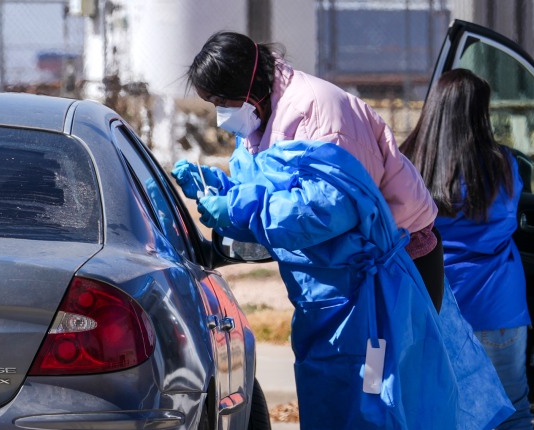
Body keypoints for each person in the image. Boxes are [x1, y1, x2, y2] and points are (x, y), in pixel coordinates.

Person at [177, 138, 512, 430]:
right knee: (395, 405)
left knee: (381, 407)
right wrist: (234, 199)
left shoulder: (326, 145)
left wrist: (236, 206)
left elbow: (308, 214)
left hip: (373, 311)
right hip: (389, 298)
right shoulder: (493, 165)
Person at [173, 30, 444, 311]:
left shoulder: (317, 112)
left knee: (386, 354)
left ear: (245, 88)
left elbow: (330, 209)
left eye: (220, 103)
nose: (220, 115)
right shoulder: (256, 119)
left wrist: (239, 207)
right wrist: (220, 189)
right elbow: (268, 192)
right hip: (342, 262)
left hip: (394, 255)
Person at [400, 68, 534, 430]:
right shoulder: (506, 166)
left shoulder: (409, 164)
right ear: (481, 113)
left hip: (433, 305)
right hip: (500, 308)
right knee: (515, 414)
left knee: (422, 414)